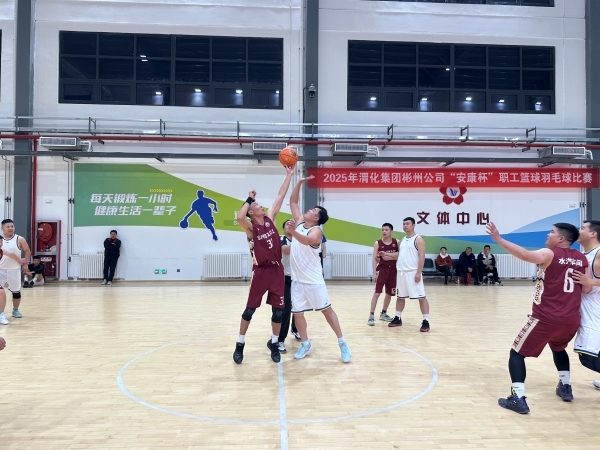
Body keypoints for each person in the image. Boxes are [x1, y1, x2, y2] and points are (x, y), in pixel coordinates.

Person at [487, 222, 589, 415]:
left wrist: (498, 239)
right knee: (558, 347)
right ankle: (565, 387)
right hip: (571, 319)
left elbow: (526, 255)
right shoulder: (581, 258)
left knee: (516, 353)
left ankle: (517, 397)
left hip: (547, 317)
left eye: (552, 232)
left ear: (561, 239)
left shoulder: (550, 253)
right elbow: (587, 288)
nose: (549, 234)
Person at [232, 166, 294, 364]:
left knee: (278, 311)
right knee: (249, 310)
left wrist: (289, 175)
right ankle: (240, 343)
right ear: (251, 211)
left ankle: (274, 343)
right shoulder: (250, 228)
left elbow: (281, 195)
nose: (260, 206)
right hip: (261, 271)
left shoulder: (270, 218)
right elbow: (239, 217)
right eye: (256, 205)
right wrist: (249, 198)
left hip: (277, 270)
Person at [288, 175, 351, 363]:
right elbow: (293, 202)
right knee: (297, 313)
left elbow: (307, 241)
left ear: (316, 218)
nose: (308, 210)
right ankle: (305, 343)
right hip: (297, 280)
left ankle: (342, 343)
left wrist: (292, 233)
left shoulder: (316, 231)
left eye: (313, 210)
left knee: (327, 311)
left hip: (313, 280)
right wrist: (299, 182)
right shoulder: (300, 221)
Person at [388, 217, 431, 332]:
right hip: (401, 273)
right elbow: (401, 255)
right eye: (404, 224)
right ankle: (398, 317)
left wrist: (418, 272)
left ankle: (426, 321)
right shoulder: (403, 239)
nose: (405, 226)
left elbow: (422, 256)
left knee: (421, 297)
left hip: (413, 272)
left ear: (413, 225)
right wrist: (387, 255)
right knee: (400, 297)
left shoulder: (418, 239)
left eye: (407, 224)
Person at [571, 220, 600, 389]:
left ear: (593, 234)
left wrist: (591, 282)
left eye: (582, 228)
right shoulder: (584, 254)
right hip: (590, 309)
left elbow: (590, 283)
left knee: (587, 357)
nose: (579, 230)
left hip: (595, 312)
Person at [368, 223, 398, 326]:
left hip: (393, 271)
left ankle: (383, 314)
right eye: (382, 230)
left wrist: (389, 256)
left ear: (391, 231)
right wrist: (374, 273)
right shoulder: (378, 243)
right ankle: (371, 316)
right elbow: (374, 258)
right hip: (382, 270)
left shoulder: (396, 242)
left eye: (386, 230)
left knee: (389, 293)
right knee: (377, 293)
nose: (384, 231)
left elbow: (400, 255)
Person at [0, 219, 31, 319]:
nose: (10, 228)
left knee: (16, 292)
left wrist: (25, 264)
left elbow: (27, 251)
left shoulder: (19, 239)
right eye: (8, 227)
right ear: (2, 228)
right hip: (1, 270)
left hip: (14, 269)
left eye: (12, 226)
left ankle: (15, 310)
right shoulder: (0, 240)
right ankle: (1, 312)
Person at [278, 219, 296, 353]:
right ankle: (280, 339)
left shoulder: (300, 239)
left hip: (298, 278)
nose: (290, 225)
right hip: (284, 278)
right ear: (284, 229)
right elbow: (286, 250)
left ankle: (295, 329)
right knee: (286, 309)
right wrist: (301, 242)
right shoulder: (281, 239)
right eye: (287, 224)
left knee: (299, 307)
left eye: (292, 224)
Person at [0, 237, 25, 325]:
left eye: (1, 242)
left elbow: (11, 254)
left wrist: (20, 261)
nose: (0, 244)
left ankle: (1, 314)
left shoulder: (2, 251)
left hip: (12, 270)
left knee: (1, 292)